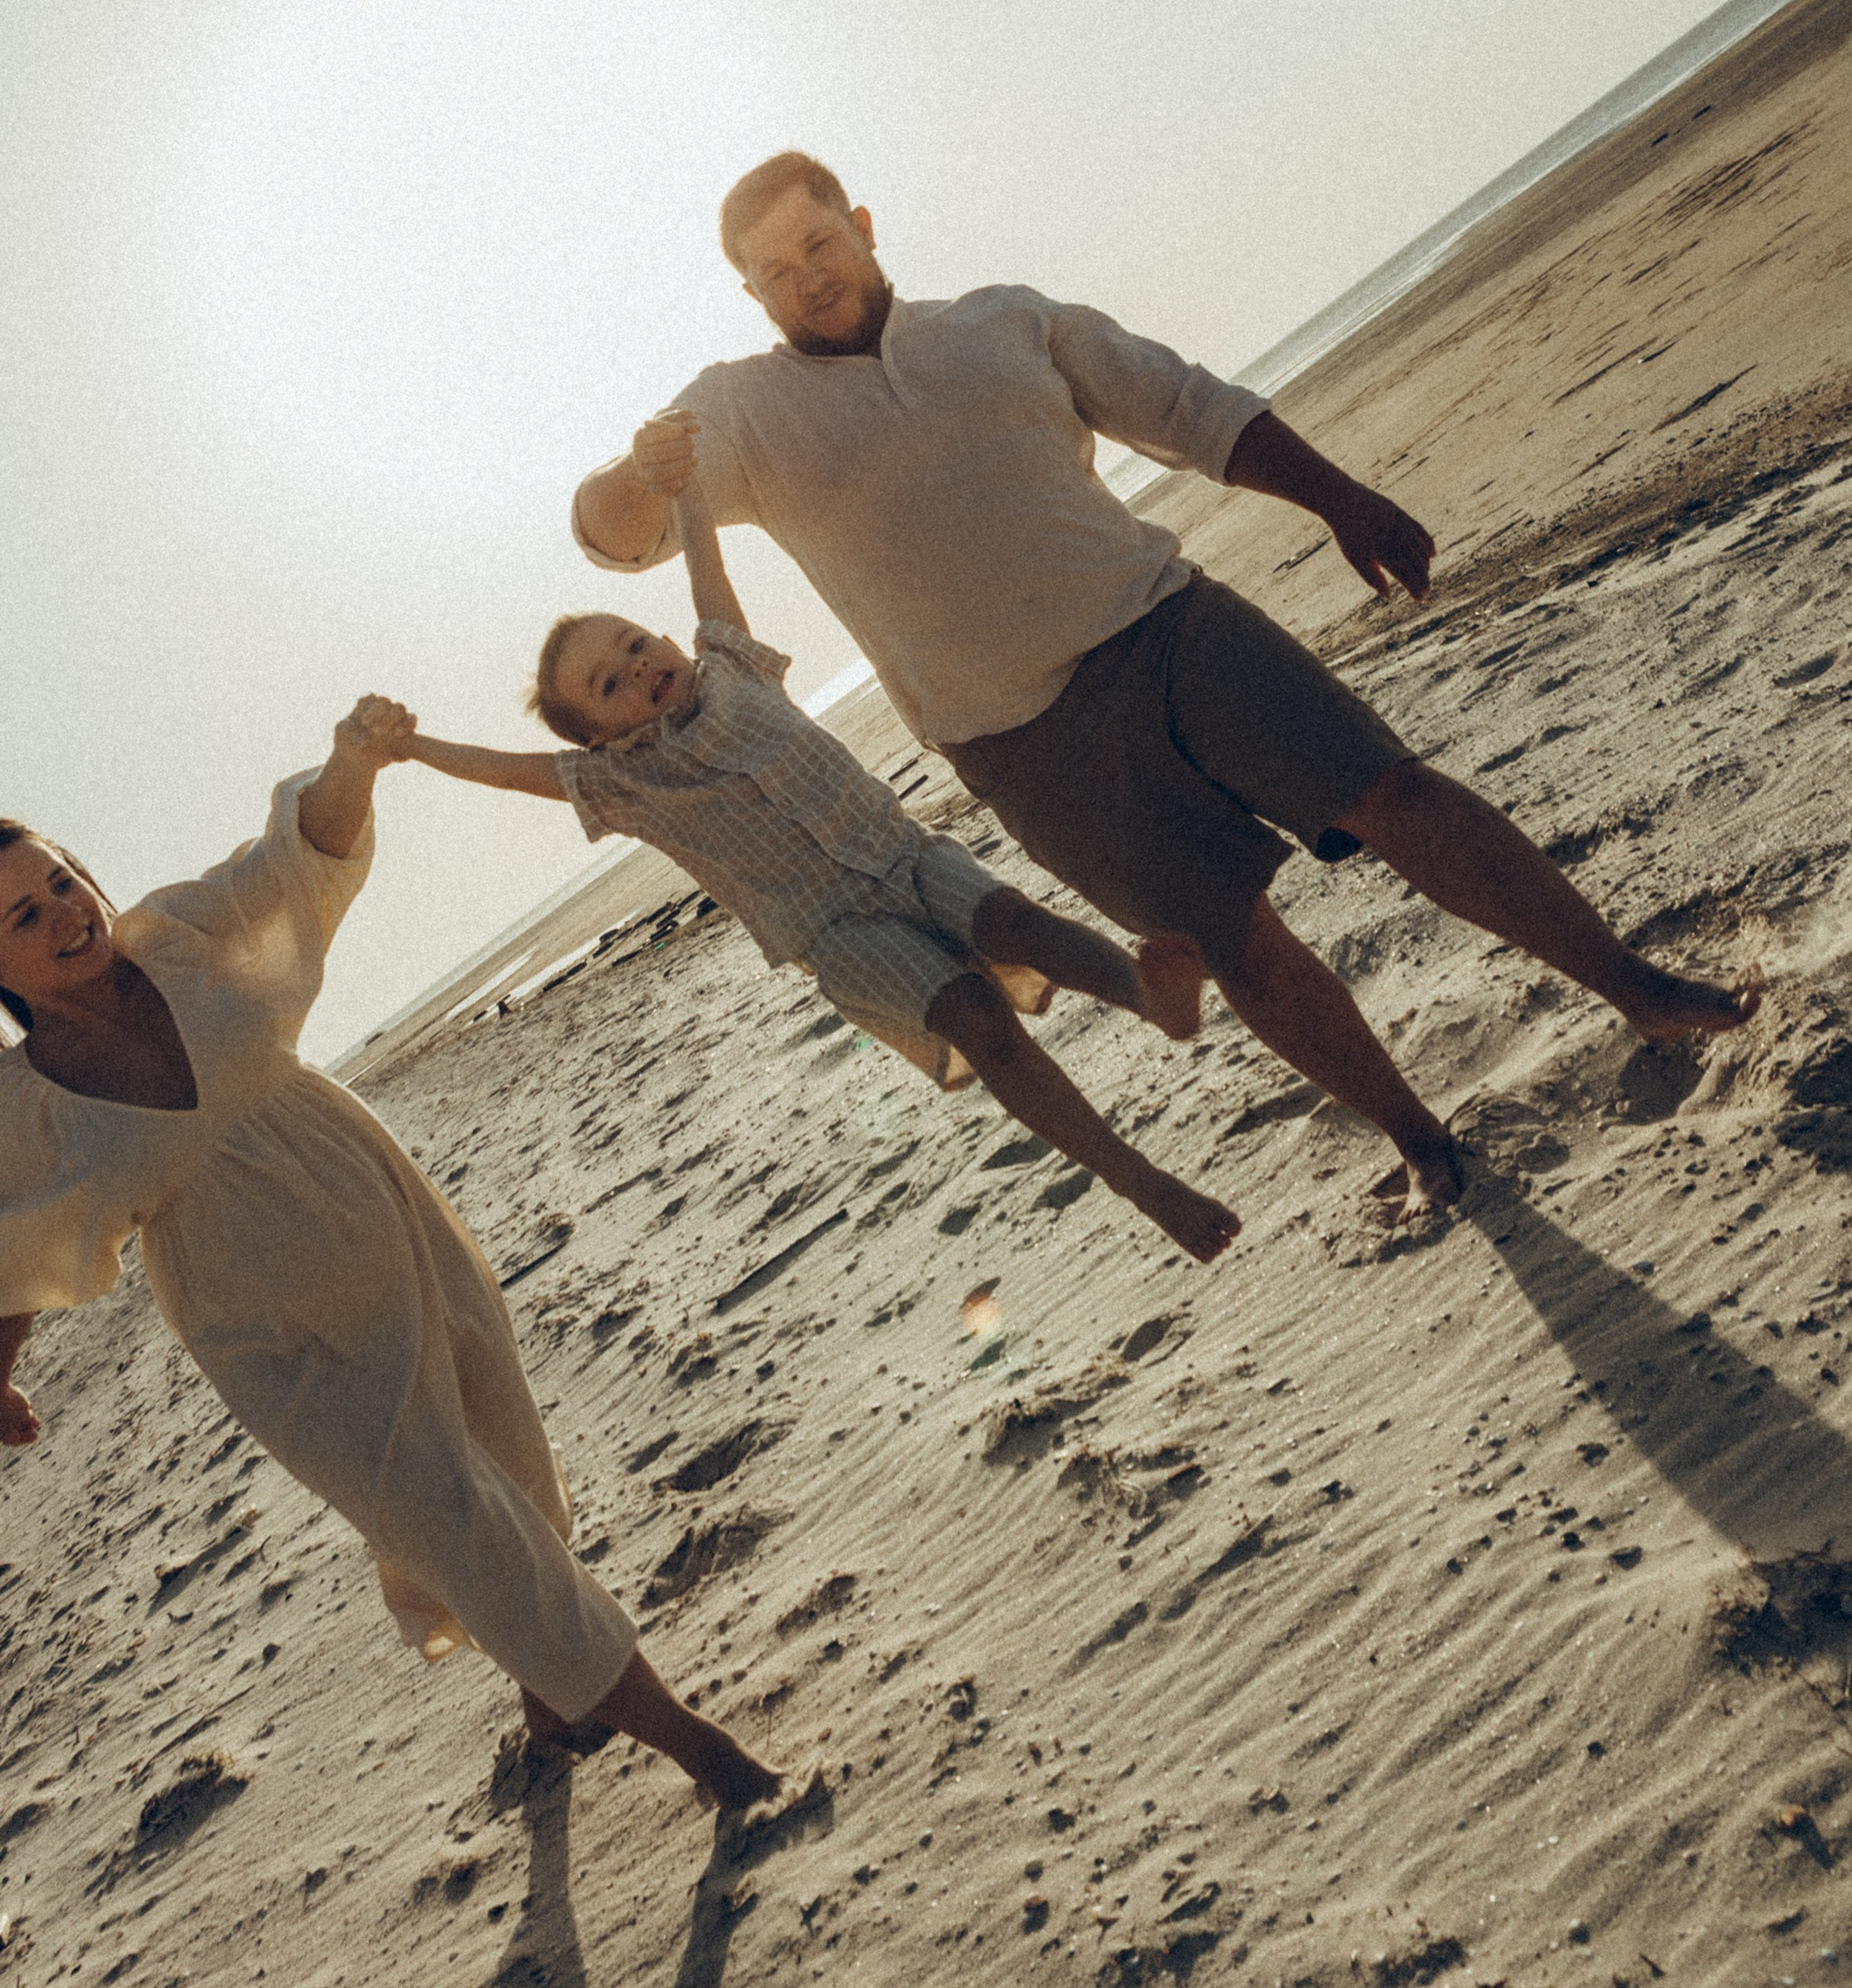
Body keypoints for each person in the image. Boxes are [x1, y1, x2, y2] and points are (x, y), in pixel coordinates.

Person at [569, 153, 1762, 1222]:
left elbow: (1185, 407)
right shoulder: (737, 413)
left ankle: (1639, 988)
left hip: (1168, 628)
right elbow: (611, 534)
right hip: (1024, 745)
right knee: (1232, 942)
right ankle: (1418, 1139)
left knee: (1397, 795)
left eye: (819, 242)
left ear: (863, 226)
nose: (808, 279)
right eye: (775, 273)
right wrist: (639, 471)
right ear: (752, 297)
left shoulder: (1001, 321)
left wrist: (1338, 497)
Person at [0, 697, 779, 1817]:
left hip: (390, 1223)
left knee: (507, 1464)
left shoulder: (180, 936)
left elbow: (294, 862)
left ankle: (551, 1701)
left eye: (63, 881)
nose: (67, 913)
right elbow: (9, 1256)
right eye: (26, 915)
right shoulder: (18, 1109)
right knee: (449, 1513)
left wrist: (353, 759)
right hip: (271, 1332)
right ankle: (705, 1754)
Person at [391, 486, 1241, 1265]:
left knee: (1017, 923)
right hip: (838, 934)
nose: (638, 665)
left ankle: (1152, 996)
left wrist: (687, 495)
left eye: (635, 643)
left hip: (906, 855)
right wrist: (413, 747)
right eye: (609, 683)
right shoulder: (623, 782)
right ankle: (1142, 1182)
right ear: (597, 738)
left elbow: (709, 575)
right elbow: (511, 772)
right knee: (977, 1021)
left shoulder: (732, 667)